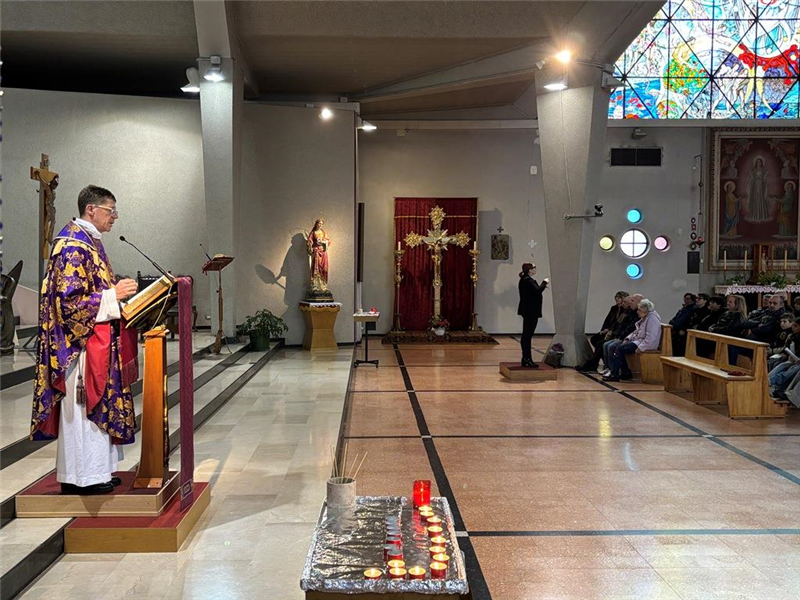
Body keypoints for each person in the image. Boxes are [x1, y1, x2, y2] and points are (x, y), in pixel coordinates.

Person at [30, 185, 139, 495]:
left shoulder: (89, 241)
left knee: (95, 408)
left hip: (95, 340)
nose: (115, 217)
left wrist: (114, 295)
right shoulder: (72, 246)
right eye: (110, 210)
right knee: (82, 411)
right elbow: (69, 305)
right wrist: (112, 295)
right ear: (91, 209)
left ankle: (97, 471)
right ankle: (81, 477)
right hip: (77, 347)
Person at [603, 298, 661, 382]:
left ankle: (615, 374)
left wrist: (641, 347)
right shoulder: (646, 317)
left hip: (645, 344)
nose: (637, 312)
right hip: (638, 341)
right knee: (619, 347)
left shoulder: (652, 319)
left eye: (639, 310)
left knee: (619, 349)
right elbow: (636, 331)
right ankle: (625, 372)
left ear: (645, 309)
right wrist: (628, 338)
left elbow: (651, 337)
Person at [577, 291, 629, 372]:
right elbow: (607, 320)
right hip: (609, 331)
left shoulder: (625, 310)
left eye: (619, 298)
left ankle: (593, 364)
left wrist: (610, 331)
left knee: (600, 344)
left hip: (615, 333)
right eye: (616, 297)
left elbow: (619, 324)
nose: (617, 299)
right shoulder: (614, 308)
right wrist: (604, 329)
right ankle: (603, 359)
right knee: (594, 339)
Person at [598, 294, 642, 376]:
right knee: (605, 345)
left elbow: (631, 329)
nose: (630, 303)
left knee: (612, 346)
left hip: (630, 339)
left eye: (632, 301)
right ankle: (608, 368)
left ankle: (615, 370)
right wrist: (616, 335)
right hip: (624, 337)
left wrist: (621, 337)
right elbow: (619, 325)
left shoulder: (637, 314)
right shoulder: (628, 311)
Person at [517, 262, 549, 368]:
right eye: (534, 268)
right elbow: (538, 291)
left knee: (527, 334)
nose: (535, 269)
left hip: (528, 310)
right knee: (527, 335)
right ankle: (527, 358)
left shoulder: (525, 280)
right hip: (530, 311)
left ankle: (526, 358)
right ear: (530, 270)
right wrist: (544, 282)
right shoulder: (527, 280)